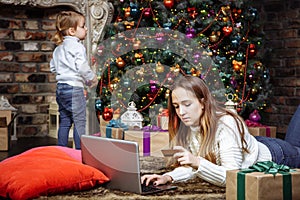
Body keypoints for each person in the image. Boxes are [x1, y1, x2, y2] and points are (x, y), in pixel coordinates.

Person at [141, 75, 300, 187]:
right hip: (248, 146)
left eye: (187, 104)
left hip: (276, 154)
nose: (181, 112)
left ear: (202, 102)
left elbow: (232, 176)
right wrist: (167, 177)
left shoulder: (226, 124)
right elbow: (193, 167)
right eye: (176, 106)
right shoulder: (189, 125)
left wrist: (197, 161)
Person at [50, 10, 98, 149]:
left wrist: (64, 72)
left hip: (60, 89)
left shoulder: (58, 49)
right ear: (72, 31)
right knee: (79, 122)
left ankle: (62, 151)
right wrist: (91, 78)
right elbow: (82, 67)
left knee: (65, 121)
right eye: (83, 26)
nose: (86, 29)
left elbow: (53, 67)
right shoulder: (77, 47)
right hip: (73, 89)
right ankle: (79, 152)